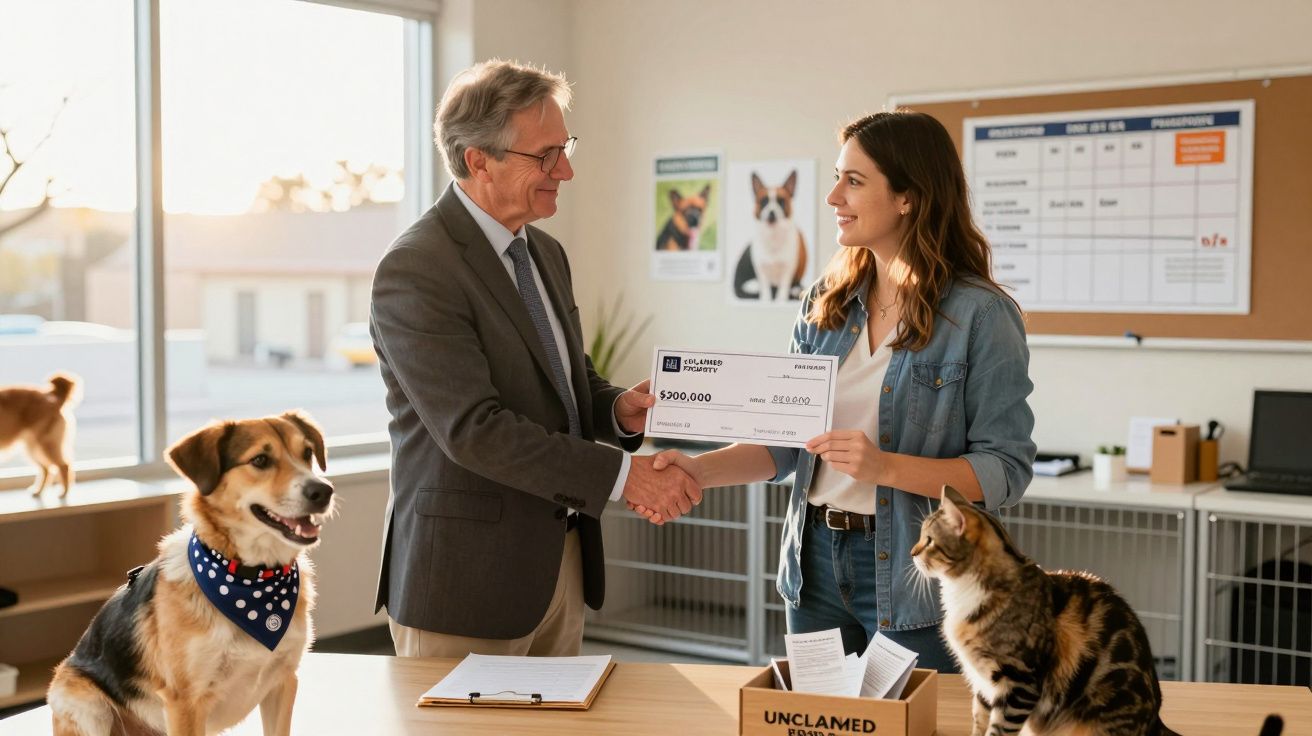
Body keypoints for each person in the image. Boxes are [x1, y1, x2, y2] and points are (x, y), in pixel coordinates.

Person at [638, 111, 1036, 670]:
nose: (831, 197)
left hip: (917, 576)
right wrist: (696, 471)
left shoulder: (982, 315)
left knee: (907, 729)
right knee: (817, 725)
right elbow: (787, 444)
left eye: (853, 181)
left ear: (908, 197)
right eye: (836, 177)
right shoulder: (827, 301)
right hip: (814, 564)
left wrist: (885, 468)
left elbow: (1005, 470)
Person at [370, 59, 701, 658]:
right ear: (478, 160)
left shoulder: (544, 251)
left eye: (564, 147)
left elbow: (564, 379)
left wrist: (617, 410)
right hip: (465, 581)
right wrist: (628, 479)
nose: (566, 170)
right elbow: (475, 431)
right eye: (545, 155)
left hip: (559, 563)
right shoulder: (417, 268)